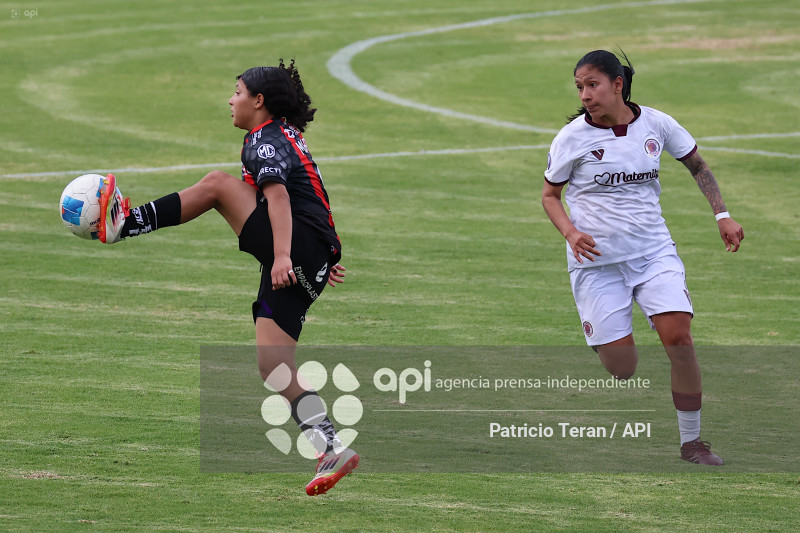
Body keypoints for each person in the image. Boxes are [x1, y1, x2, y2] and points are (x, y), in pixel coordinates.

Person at [97, 59, 359, 494]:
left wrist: (282, 255)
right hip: (309, 255)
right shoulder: (283, 136)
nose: (231, 99)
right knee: (274, 366)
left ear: (259, 102)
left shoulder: (264, 139)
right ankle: (330, 446)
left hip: (293, 248)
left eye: (237, 91)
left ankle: (125, 221)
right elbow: (310, 194)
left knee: (217, 185)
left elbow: (277, 197)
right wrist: (320, 257)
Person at [541, 50, 744, 465]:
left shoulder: (657, 123)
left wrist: (721, 214)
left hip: (653, 254)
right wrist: (571, 232)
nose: (584, 95)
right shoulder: (571, 139)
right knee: (623, 368)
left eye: (592, 85)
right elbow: (549, 196)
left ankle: (692, 443)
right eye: (579, 87)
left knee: (680, 340)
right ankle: (608, 334)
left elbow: (697, 166)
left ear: (618, 84)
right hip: (597, 266)